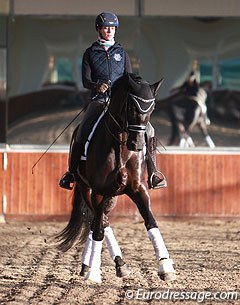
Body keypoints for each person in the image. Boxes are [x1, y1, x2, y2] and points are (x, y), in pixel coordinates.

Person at [59, 12, 166, 191]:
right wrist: (96, 86)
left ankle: (154, 173)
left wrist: (139, 86)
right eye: (106, 28)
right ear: (99, 29)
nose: (109, 31)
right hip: (100, 100)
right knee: (83, 129)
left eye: (112, 28)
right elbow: (85, 81)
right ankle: (71, 173)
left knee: (149, 129)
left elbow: (128, 77)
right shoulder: (90, 53)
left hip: (120, 102)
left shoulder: (121, 52)